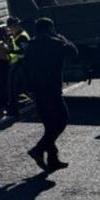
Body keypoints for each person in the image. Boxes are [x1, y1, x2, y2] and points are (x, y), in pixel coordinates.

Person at [25, 17, 78, 172]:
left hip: (37, 90)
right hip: (52, 88)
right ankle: (38, 149)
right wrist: (62, 38)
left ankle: (53, 159)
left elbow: (26, 67)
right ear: (49, 28)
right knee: (62, 120)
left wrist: (29, 88)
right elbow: (74, 53)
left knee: (49, 125)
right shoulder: (56, 43)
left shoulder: (31, 45)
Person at [5, 16, 31, 117]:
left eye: (13, 26)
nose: (11, 29)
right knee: (21, 86)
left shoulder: (22, 37)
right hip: (16, 63)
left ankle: (13, 109)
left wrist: (10, 50)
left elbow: (25, 51)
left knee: (12, 87)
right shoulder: (15, 36)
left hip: (20, 64)